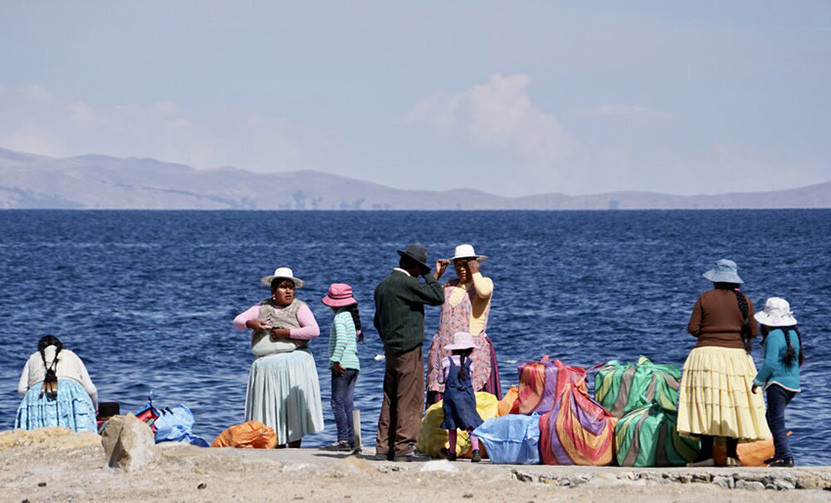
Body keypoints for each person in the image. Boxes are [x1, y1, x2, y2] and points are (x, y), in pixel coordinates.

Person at [677, 259, 771, 466]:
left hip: (706, 357)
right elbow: (754, 332)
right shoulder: (744, 301)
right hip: (737, 359)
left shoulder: (705, 298)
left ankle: (705, 456)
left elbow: (693, 329)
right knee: (733, 406)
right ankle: (731, 454)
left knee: (704, 404)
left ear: (715, 281)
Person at [234, 267, 324, 448]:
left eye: (291, 287)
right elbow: (238, 321)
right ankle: (275, 443)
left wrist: (287, 333)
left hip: (292, 364)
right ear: (273, 291)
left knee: (291, 408)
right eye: (283, 287)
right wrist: (252, 324)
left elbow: (314, 331)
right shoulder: (261, 307)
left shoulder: (299, 308)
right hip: (268, 366)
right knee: (271, 409)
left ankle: (294, 445)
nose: (288, 291)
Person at [374, 243, 444, 461]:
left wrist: (388, 340)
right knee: (409, 398)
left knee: (390, 398)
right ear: (415, 267)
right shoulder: (407, 283)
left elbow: (377, 321)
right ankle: (404, 447)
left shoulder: (383, 286)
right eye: (420, 268)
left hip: (391, 349)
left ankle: (384, 447)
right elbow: (437, 297)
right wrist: (429, 275)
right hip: (409, 348)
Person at [427, 244, 499, 405]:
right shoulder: (449, 286)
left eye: (466, 265)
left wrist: (475, 271)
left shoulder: (484, 282)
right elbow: (428, 296)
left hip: (471, 348)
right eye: (458, 265)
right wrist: (437, 275)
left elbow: (483, 292)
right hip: (446, 347)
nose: (462, 269)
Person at [752, 297, 803, 468]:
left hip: (777, 385)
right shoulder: (794, 334)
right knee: (771, 418)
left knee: (776, 420)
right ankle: (779, 453)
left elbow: (770, 364)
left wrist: (757, 382)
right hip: (793, 385)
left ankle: (786, 457)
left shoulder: (773, 336)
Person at [15, 335, 98, 432]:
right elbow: (91, 390)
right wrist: (95, 409)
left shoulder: (32, 358)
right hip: (71, 395)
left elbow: (21, 389)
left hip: (39, 393)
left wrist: (35, 394)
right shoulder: (71, 355)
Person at [321, 283, 362, 451]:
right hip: (354, 365)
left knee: (337, 402)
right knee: (347, 403)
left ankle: (342, 440)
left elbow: (342, 340)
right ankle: (352, 439)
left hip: (342, 365)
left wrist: (336, 360)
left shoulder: (339, 318)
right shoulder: (350, 317)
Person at [438, 332, 484, 462]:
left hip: (451, 396)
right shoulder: (470, 363)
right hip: (467, 395)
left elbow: (441, 380)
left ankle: (452, 452)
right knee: (471, 423)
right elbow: (471, 379)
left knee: (452, 424)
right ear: (470, 350)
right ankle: (476, 450)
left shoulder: (446, 361)